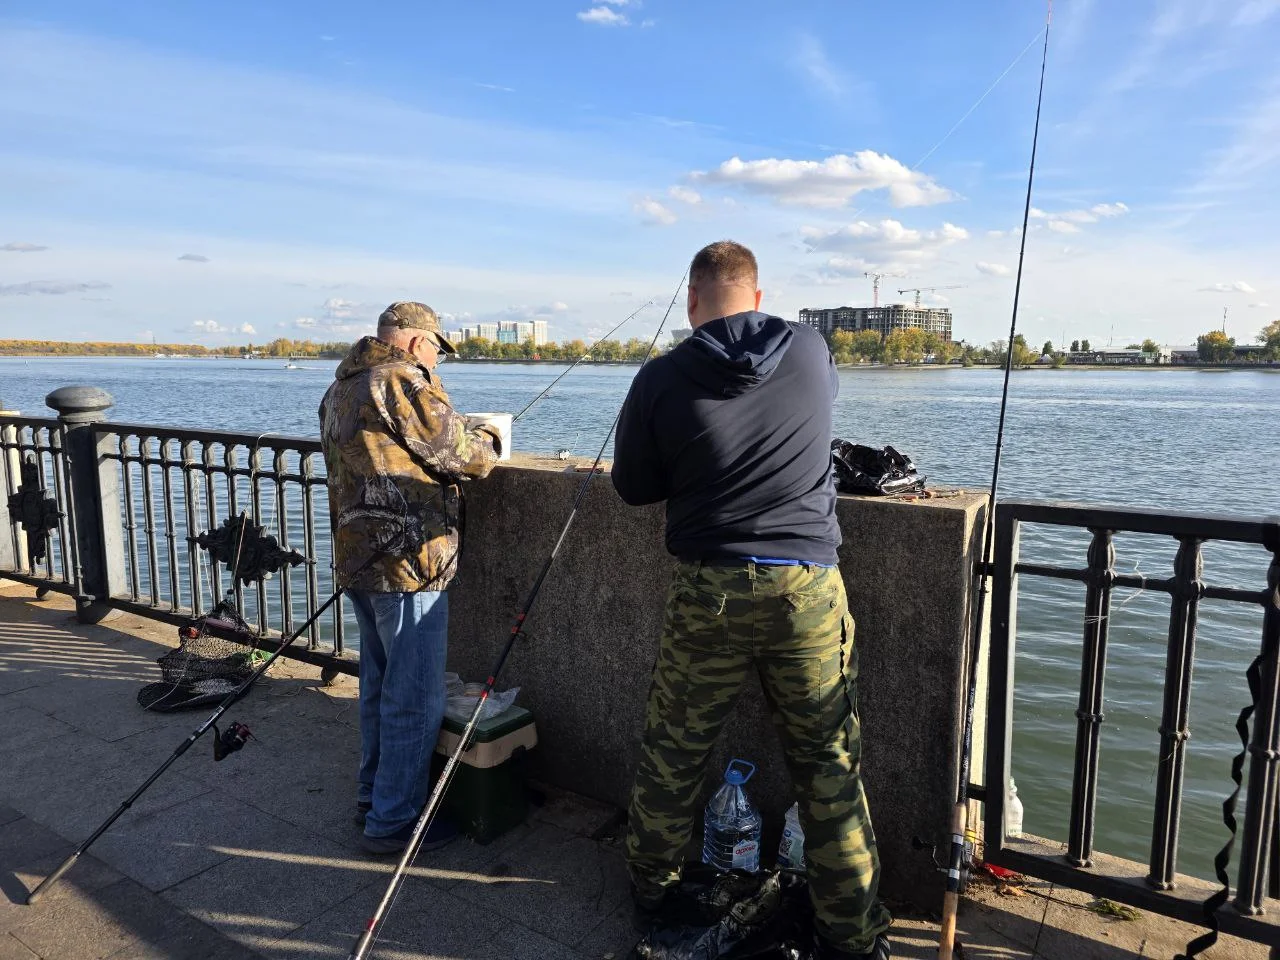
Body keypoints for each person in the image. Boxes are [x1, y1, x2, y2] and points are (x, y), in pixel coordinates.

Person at [612, 242, 893, 959]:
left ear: (692, 301)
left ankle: (653, 891)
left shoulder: (661, 376)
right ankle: (853, 933)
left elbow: (635, 487)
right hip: (807, 587)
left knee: (674, 752)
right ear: (758, 296)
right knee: (829, 766)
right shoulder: (809, 349)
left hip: (710, 587)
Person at [319, 301, 501, 855]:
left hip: (359, 557)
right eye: (437, 351)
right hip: (408, 564)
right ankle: (394, 821)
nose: (437, 364)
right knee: (414, 696)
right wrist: (490, 436)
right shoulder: (399, 379)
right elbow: (463, 456)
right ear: (419, 342)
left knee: (377, 686)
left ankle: (372, 798)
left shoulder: (340, 387)